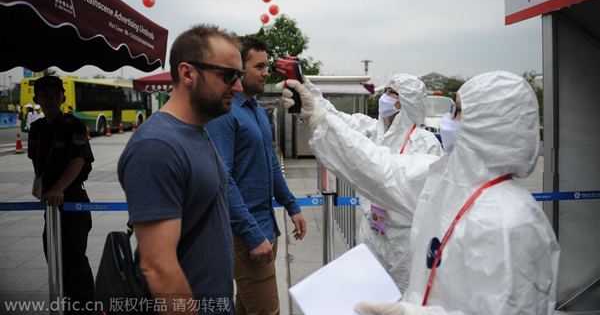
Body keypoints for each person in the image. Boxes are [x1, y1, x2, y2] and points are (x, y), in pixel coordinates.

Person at [281, 71, 560, 314]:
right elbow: (384, 171)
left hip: (401, 242)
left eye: (458, 111)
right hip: (376, 234)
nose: (449, 120)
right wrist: (317, 113)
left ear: (490, 124)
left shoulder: (512, 222)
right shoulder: (453, 183)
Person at [118, 24, 244, 315]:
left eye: (240, 76)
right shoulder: (156, 146)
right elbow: (158, 267)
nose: (238, 87)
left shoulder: (197, 130)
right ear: (187, 73)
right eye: (229, 75)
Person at [305, 74, 442, 292]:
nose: (383, 97)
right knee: (369, 293)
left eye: (390, 92)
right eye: (384, 91)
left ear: (404, 101)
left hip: (404, 240)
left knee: (403, 297)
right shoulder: (372, 130)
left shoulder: (426, 143)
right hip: (371, 229)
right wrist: (308, 90)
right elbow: (336, 118)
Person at [205, 35, 307, 315]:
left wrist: (292, 206)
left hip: (265, 228)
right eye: (259, 66)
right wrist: (251, 234)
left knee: (245, 307)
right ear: (239, 68)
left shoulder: (257, 112)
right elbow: (223, 178)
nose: (266, 73)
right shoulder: (225, 113)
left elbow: (271, 164)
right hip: (244, 233)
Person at [27, 76, 95, 314]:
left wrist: (59, 188)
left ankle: (86, 308)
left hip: (73, 200)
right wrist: (43, 188)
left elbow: (78, 159)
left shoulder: (73, 126)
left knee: (74, 260)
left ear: (63, 98)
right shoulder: (35, 128)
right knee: (53, 255)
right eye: (45, 94)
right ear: (36, 99)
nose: (52, 99)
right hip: (51, 204)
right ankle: (66, 306)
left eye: (56, 94)